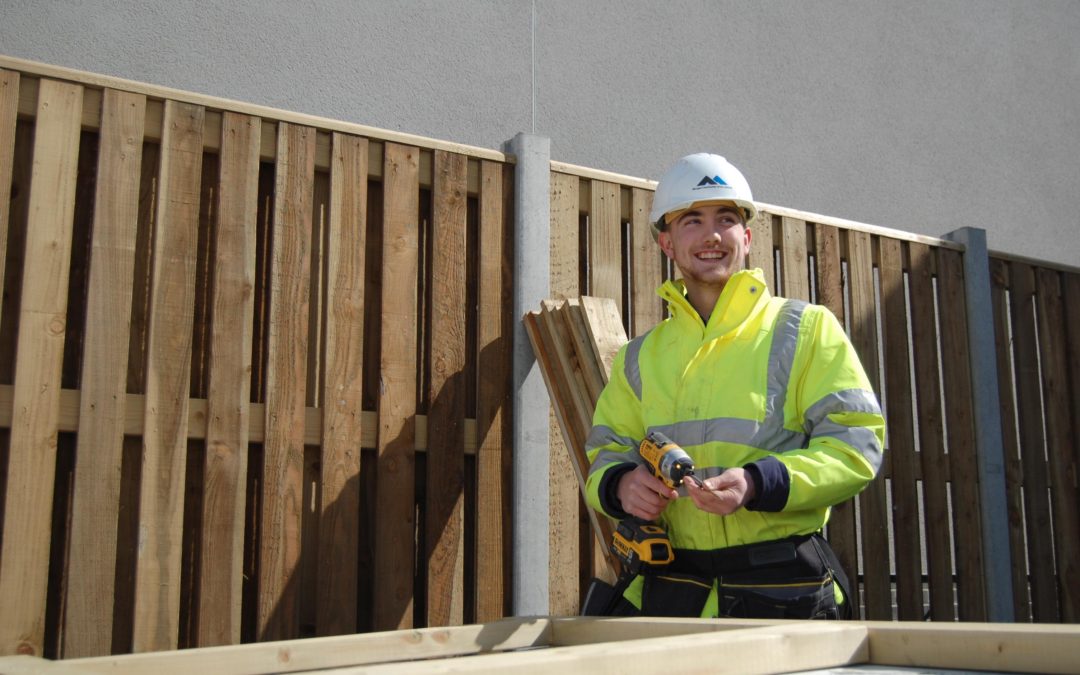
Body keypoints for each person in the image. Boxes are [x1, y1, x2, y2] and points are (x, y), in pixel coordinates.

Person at [583, 153, 884, 619]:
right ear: (666, 242)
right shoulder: (639, 358)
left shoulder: (805, 329)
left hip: (785, 589)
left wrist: (757, 483)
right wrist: (622, 485)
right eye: (692, 221)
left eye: (726, 219)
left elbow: (856, 446)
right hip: (673, 589)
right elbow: (605, 452)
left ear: (745, 237)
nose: (712, 235)